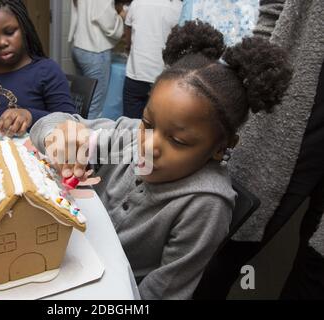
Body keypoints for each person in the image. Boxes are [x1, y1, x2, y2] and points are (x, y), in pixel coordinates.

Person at [29, 21, 292, 299]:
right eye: (147, 122)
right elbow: (52, 124)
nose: (149, 145)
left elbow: (164, 292)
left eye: (177, 141)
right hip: (67, 256)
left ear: (220, 148)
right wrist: (56, 138)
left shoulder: (205, 204)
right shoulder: (133, 136)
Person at [193, 0, 324, 300]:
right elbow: (275, 9)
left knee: (317, 268)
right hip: (298, 101)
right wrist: (248, 73)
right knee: (226, 245)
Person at [0, 0, 76, 137]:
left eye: (9, 32)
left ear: (24, 27)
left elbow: (71, 122)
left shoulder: (47, 71)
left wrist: (30, 115)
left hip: (32, 153)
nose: (1, 43)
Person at [122, 0, 183, 119]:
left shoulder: (137, 2)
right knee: (156, 126)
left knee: (130, 125)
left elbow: (128, 30)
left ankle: (138, 138)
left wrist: (129, 48)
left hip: (136, 73)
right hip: (162, 77)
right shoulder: (178, 7)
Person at [69, 0, 126, 119]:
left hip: (79, 47)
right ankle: (85, 136)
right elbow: (106, 20)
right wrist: (120, 17)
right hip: (94, 51)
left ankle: (76, 134)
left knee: (82, 104)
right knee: (94, 107)